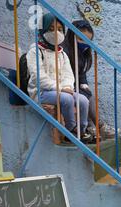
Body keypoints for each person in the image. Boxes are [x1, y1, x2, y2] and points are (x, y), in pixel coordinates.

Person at [27, 14, 91, 143]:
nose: (56, 33)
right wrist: (61, 88)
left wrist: (67, 86)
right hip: (41, 92)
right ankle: (70, 129)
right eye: (51, 29)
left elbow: (68, 74)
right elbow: (38, 76)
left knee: (83, 100)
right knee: (67, 98)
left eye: (60, 29)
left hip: (61, 90)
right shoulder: (36, 52)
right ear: (43, 30)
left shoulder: (62, 54)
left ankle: (82, 130)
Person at [62, 20, 114, 140]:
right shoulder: (64, 51)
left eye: (88, 40)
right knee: (86, 98)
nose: (84, 43)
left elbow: (81, 71)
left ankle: (93, 127)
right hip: (64, 85)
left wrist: (84, 82)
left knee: (89, 96)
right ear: (71, 36)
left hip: (75, 85)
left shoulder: (81, 52)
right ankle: (98, 126)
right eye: (81, 39)